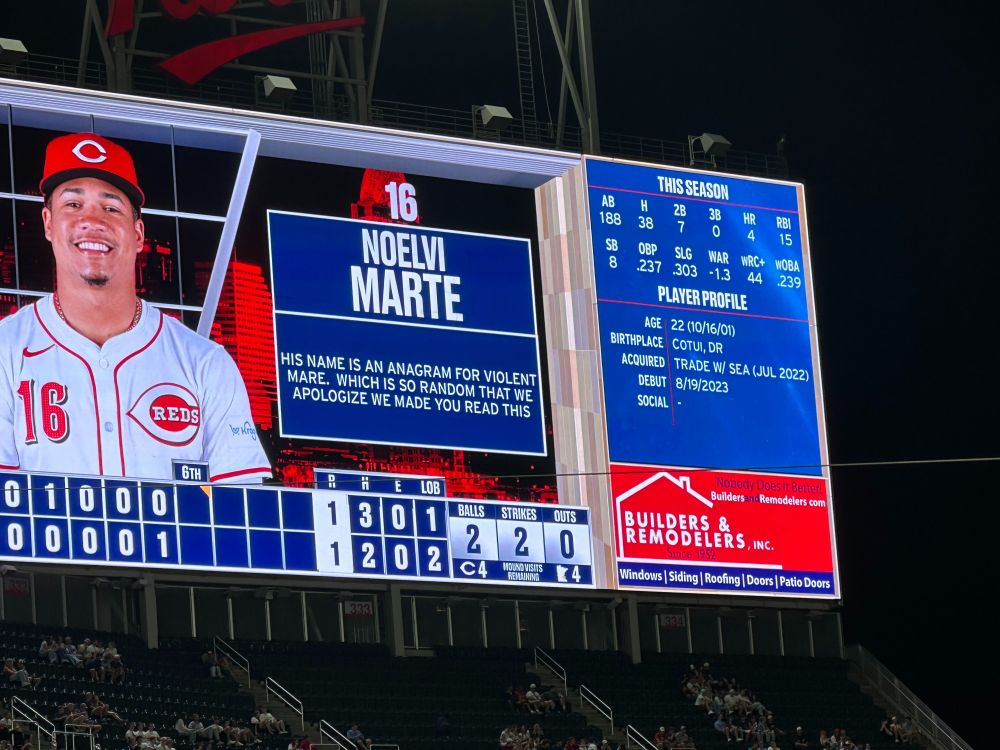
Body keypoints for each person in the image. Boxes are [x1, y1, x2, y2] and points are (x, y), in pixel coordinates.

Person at [0, 131, 271, 483]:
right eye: (73, 204)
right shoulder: (6, 350)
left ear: (139, 234)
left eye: (111, 208)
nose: (93, 221)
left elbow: (240, 506)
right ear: (48, 223)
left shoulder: (204, 362)